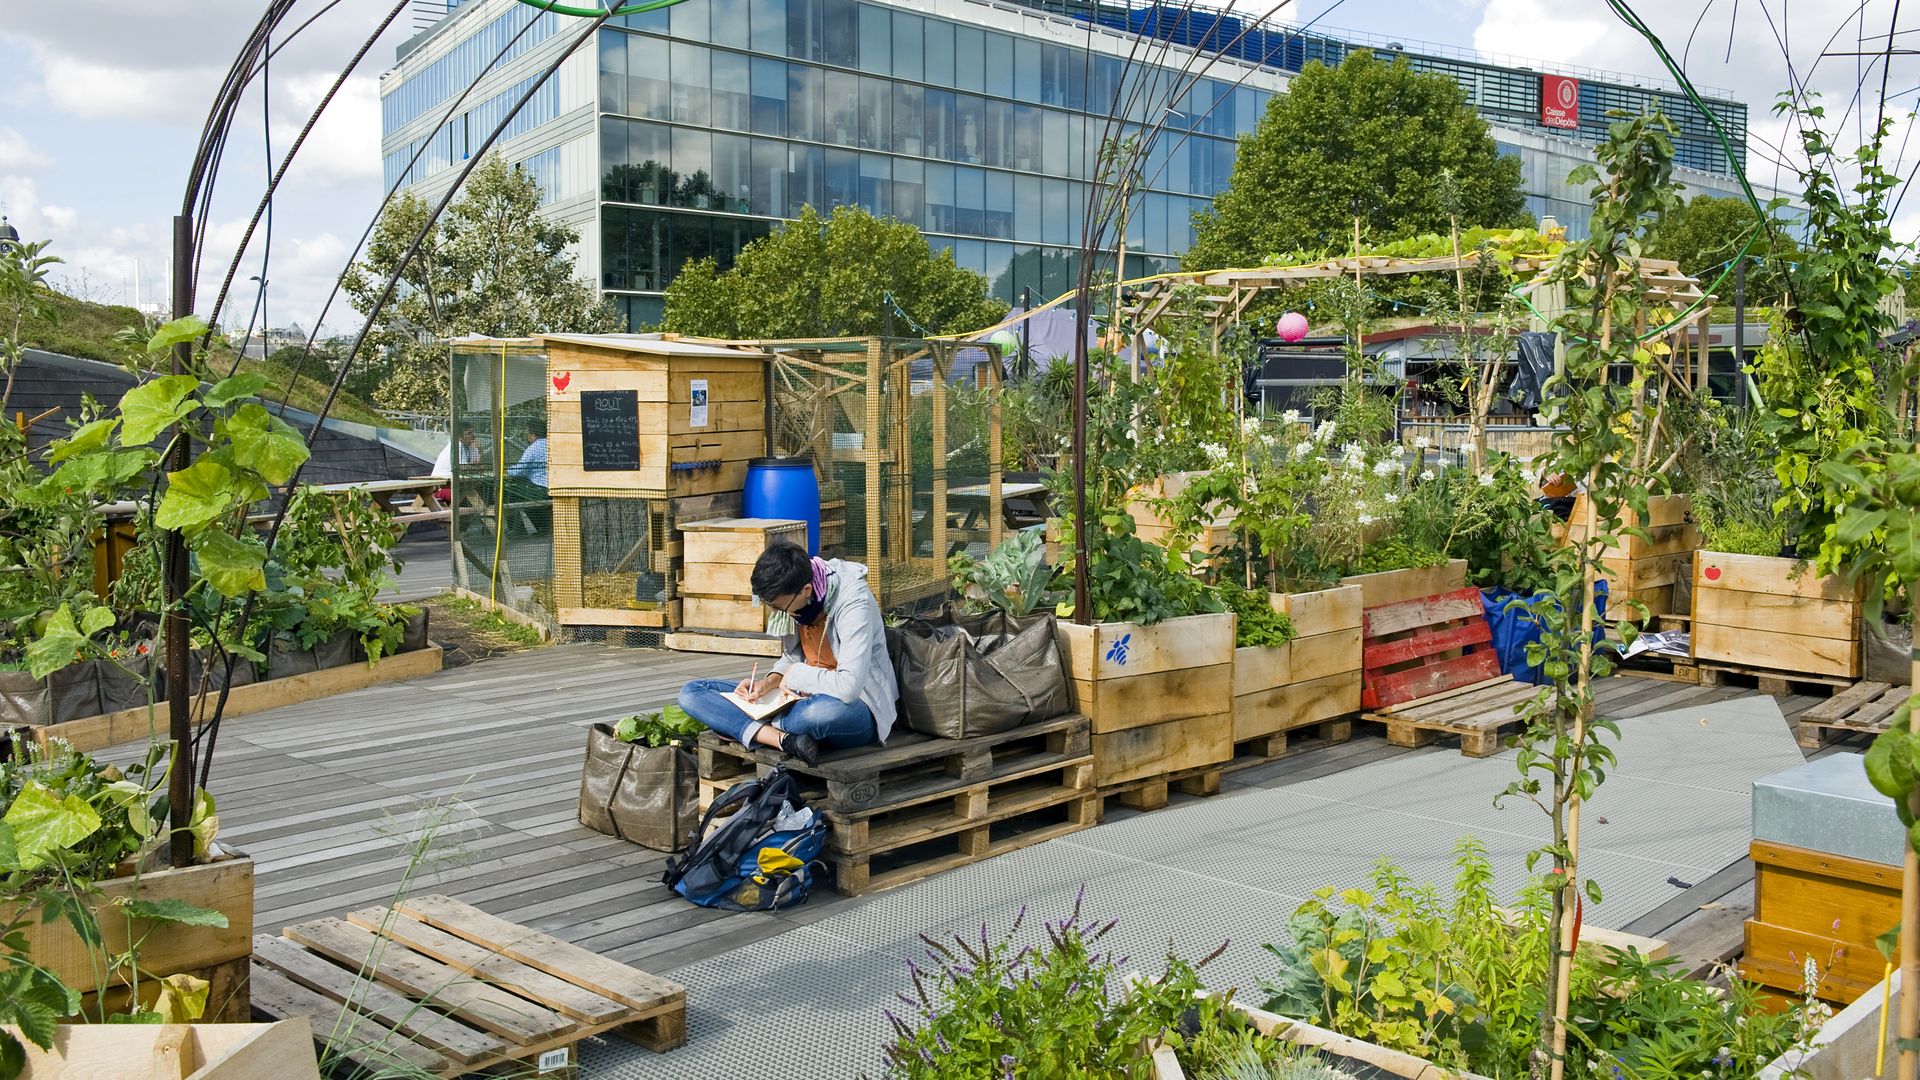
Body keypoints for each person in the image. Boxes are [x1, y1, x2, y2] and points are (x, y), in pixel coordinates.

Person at [678, 543, 896, 766]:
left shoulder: (853, 604)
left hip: (856, 708)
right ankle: (783, 739)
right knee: (691, 693)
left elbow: (848, 687)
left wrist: (794, 675)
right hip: (796, 698)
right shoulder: (799, 603)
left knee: (818, 713)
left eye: (779, 607)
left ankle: (747, 726)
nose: (777, 613)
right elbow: (793, 657)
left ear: (806, 590)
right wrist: (769, 682)